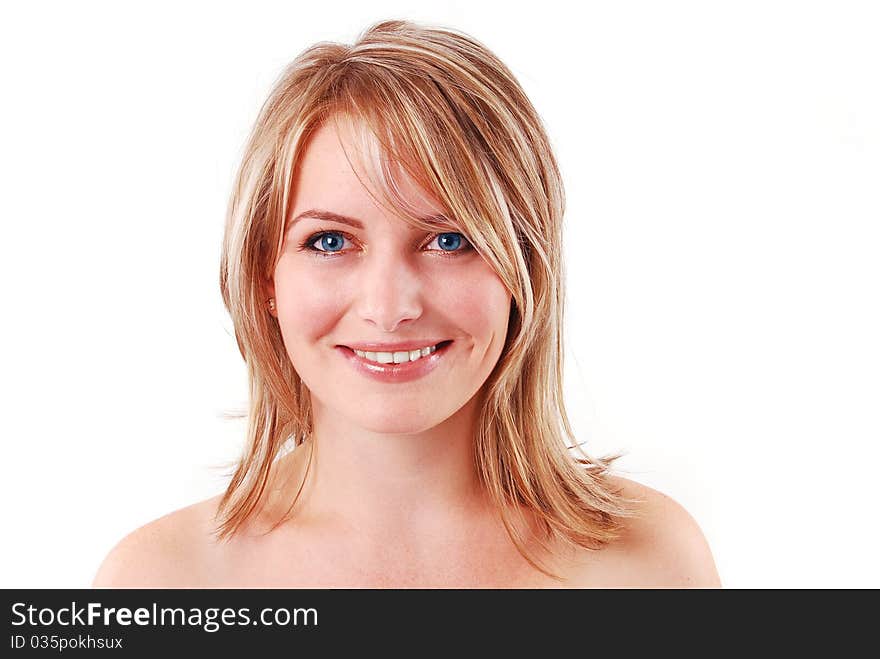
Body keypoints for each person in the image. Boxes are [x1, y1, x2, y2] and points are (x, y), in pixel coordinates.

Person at [93, 19, 720, 588]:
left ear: (523, 268)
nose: (389, 306)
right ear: (265, 276)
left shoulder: (651, 568)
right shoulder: (159, 584)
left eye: (450, 240)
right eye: (330, 241)